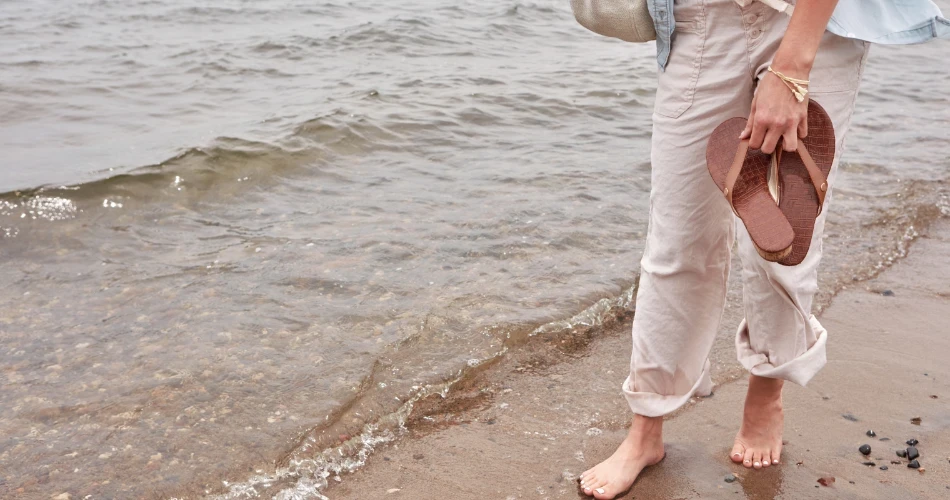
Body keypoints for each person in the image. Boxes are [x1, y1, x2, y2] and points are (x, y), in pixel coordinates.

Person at [577, 0, 950, 498]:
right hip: (699, 15)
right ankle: (646, 427)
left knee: (786, 235)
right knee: (677, 238)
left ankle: (766, 392)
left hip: (809, 21)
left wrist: (791, 69)